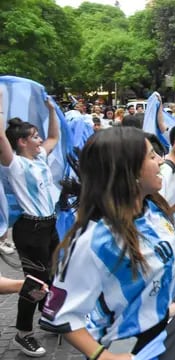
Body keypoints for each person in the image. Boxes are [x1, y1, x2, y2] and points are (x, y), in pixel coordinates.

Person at [39, 127, 175, 360]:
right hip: (124, 348)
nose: (161, 161)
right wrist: (105, 357)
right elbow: (60, 314)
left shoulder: (153, 208)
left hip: (160, 337)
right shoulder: (94, 240)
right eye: (152, 156)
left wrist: (163, 310)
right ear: (130, 171)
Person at [0, 91, 59, 357]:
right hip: (31, 230)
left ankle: (49, 317)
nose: (40, 140)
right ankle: (24, 334)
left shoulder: (40, 159)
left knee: (54, 276)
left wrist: (52, 110)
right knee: (35, 283)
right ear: (22, 142)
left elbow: (55, 137)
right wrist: (1, 101)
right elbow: (1, 136)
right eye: (34, 136)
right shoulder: (16, 165)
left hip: (49, 227)